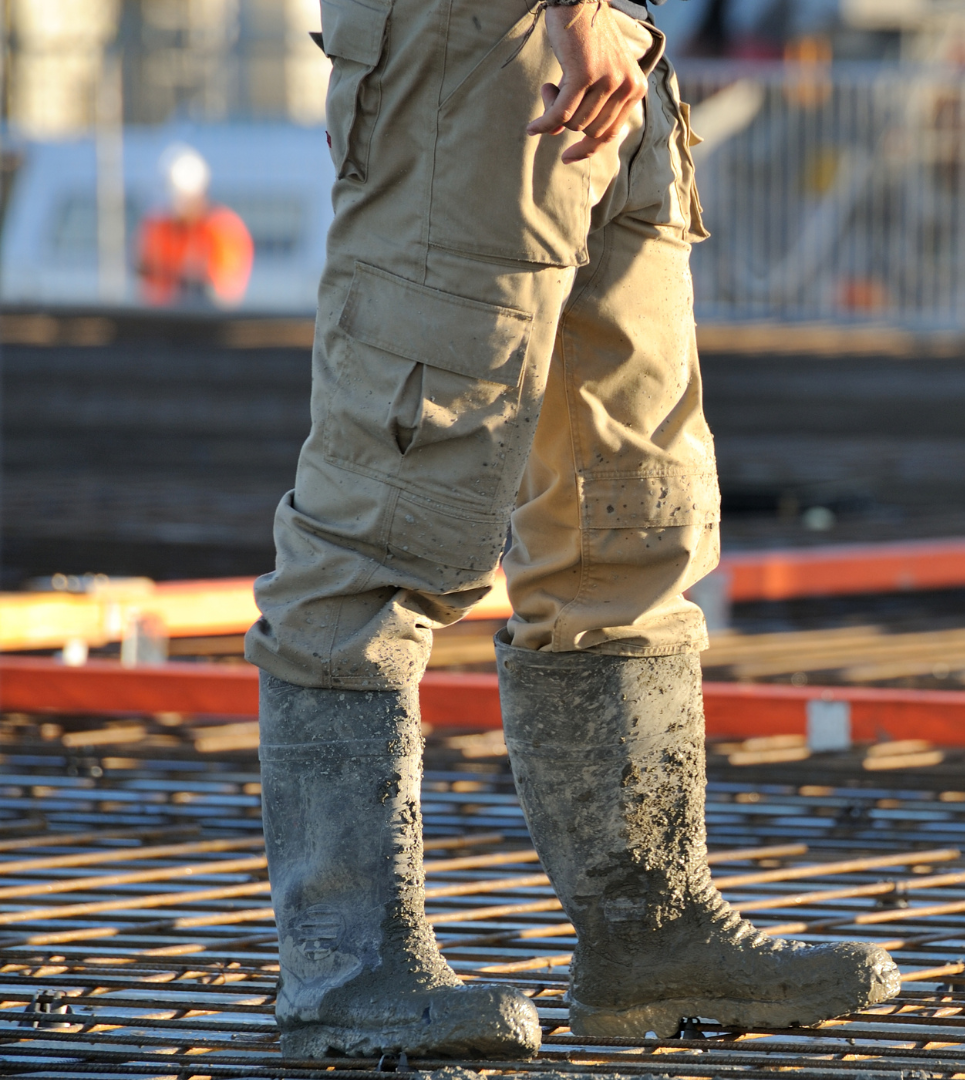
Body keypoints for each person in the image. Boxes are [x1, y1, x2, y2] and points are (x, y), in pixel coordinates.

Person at [245, 0, 897, 1059]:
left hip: (608, 52)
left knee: (625, 518)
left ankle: (649, 934)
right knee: (390, 512)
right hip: (486, 42)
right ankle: (346, 966)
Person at [137, 144, 254, 307]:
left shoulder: (223, 229)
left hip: (211, 321)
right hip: (162, 319)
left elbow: (225, 289)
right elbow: (147, 275)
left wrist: (185, 277)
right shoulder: (158, 226)